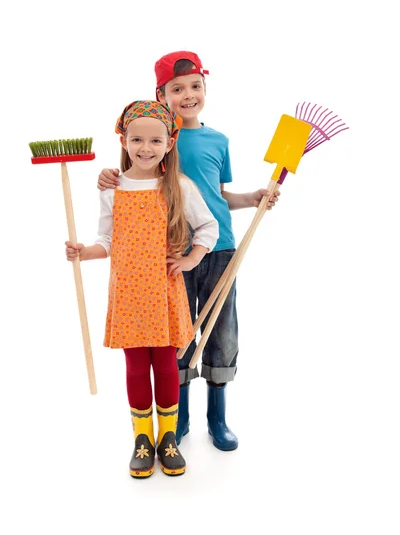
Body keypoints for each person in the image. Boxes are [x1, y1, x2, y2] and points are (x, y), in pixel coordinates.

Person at [97, 52, 280, 452]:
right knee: (176, 335)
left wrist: (252, 198)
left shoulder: (218, 140)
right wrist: (111, 174)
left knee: (219, 329)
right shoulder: (154, 138)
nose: (188, 94)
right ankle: (175, 418)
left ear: (205, 89)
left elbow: (216, 197)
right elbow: (136, 181)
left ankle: (218, 416)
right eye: (177, 89)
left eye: (196, 86)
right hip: (169, 254)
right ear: (161, 95)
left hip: (220, 245)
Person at [66, 100, 218, 478]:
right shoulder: (112, 188)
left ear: (170, 142)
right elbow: (108, 241)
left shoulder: (178, 186)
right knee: (136, 366)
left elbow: (208, 229)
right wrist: (85, 252)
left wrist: (192, 259)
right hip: (129, 294)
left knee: (166, 365)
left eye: (155, 140)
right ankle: (142, 439)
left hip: (164, 293)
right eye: (137, 139)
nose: (145, 148)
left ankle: (168, 439)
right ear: (124, 139)